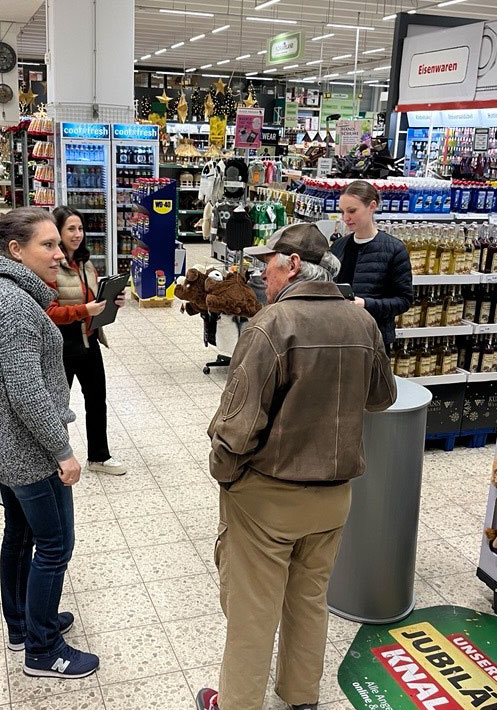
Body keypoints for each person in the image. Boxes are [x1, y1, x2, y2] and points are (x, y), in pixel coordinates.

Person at [197, 223, 397, 710]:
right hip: (333, 498)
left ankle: (237, 703)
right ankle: (300, 695)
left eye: (268, 264)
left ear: (290, 266)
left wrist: (224, 474)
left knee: (253, 609)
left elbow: (238, 428)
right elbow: (382, 396)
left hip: (269, 497)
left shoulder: (272, 324)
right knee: (309, 599)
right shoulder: (361, 322)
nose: (262, 273)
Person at [0, 208, 99, 679]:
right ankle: (43, 649)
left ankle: (21, 622)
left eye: (57, 243)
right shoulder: (18, 308)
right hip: (28, 452)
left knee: (20, 535)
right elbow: (27, 394)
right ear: (15, 251)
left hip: (2, 442)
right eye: (47, 245)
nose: (59, 252)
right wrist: (63, 453)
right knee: (55, 545)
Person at [46, 206, 126, 476]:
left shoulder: (86, 264)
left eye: (80, 228)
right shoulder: (50, 267)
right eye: (71, 228)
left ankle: (99, 456)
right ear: (57, 231)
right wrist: (84, 310)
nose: (77, 234)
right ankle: (56, 458)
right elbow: (49, 313)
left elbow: (93, 300)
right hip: (62, 345)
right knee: (58, 405)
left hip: (90, 340)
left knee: (96, 399)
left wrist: (111, 302)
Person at [330, 180, 413, 352]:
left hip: (374, 340)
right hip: (338, 336)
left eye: (352, 211)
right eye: (342, 212)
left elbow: (403, 301)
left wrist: (366, 304)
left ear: (372, 206)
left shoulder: (394, 250)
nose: (345, 218)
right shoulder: (338, 246)